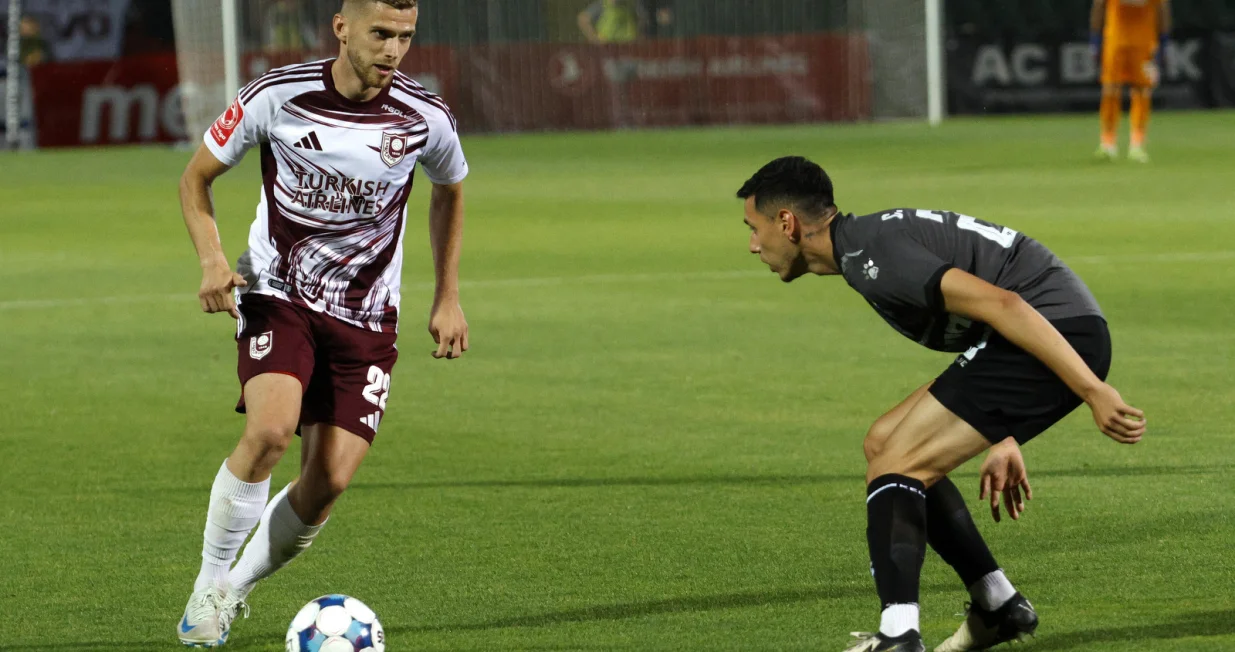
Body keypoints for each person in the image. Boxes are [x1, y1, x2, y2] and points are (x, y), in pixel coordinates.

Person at [736, 157, 1145, 652]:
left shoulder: (874, 258)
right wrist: (1006, 430)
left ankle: (899, 635)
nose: (754, 244)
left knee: (897, 465)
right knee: (884, 440)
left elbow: (1007, 306)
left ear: (788, 223)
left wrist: (1091, 390)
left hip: (1054, 332)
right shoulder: (864, 245)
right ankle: (997, 604)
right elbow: (995, 326)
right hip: (1035, 336)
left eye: (754, 228)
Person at [175, 0, 469, 646]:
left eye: (405, 37)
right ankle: (207, 582)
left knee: (328, 481)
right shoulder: (276, 97)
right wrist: (213, 259)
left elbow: (450, 188)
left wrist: (447, 294)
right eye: (381, 34)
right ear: (342, 29)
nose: (394, 50)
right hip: (278, 292)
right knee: (273, 428)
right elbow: (195, 179)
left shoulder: (425, 117)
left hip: (366, 318)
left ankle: (234, 588)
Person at [1091, 0, 1171, 162]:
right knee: (1111, 89)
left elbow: (1162, 8)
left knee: (1141, 90)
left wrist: (1163, 39)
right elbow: (1099, 5)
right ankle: (1108, 143)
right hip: (1115, 40)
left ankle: (1137, 144)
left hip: (1143, 42)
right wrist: (1096, 39)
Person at [577, 0, 647, 44]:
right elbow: (583, 19)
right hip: (608, 50)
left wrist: (639, 36)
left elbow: (641, 20)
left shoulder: (630, 5)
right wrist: (594, 39)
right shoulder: (602, 5)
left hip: (628, 48)